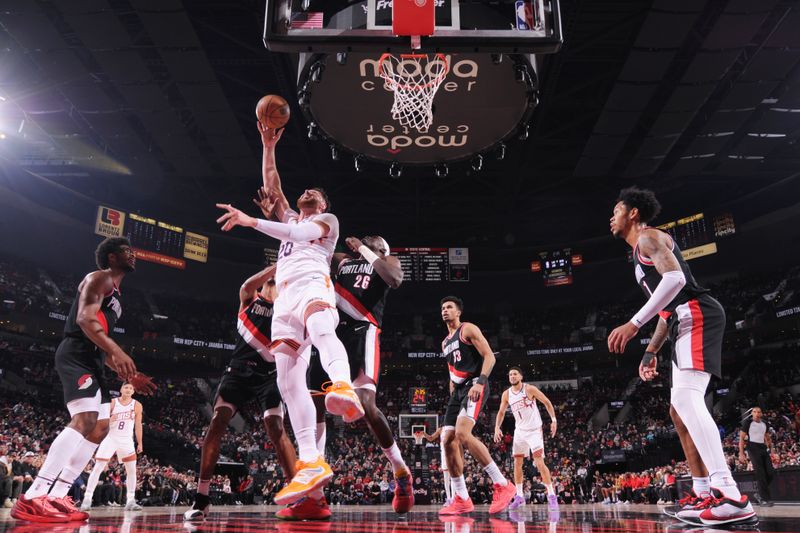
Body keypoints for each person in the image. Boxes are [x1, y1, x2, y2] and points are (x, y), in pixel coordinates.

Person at [215, 123, 365, 505]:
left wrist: (252, 222)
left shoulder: (326, 224)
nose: (307, 192)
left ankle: (343, 386)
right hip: (283, 300)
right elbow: (272, 180)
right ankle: (311, 462)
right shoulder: (288, 218)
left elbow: (297, 236)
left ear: (324, 206)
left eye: (316, 193)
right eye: (306, 190)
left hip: (313, 284)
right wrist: (267, 144)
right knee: (287, 380)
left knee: (320, 326)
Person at [607, 187, 755, 526]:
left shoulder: (648, 238)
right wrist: (649, 351)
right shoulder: (637, 258)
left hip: (696, 314)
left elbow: (675, 279)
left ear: (633, 213)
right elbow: (665, 310)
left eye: (617, 209)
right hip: (679, 321)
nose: (611, 216)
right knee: (678, 411)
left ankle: (730, 495)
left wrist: (633, 324)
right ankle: (705, 491)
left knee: (688, 402)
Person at [11, 238, 155, 523]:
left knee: (100, 427)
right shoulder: (99, 277)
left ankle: (58, 495)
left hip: (94, 358)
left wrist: (127, 373)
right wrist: (116, 349)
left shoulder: (117, 296)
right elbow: (84, 320)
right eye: (127, 251)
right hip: (76, 352)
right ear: (112, 257)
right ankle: (33, 495)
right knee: (86, 418)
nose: (133, 255)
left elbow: (100, 338)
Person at [287, 234, 412, 519]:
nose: (366, 241)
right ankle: (315, 495)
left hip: (362, 331)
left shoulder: (386, 261)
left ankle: (399, 469)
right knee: (314, 406)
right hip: (330, 333)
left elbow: (394, 278)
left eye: (373, 241)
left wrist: (367, 250)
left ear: (382, 248)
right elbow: (318, 247)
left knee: (366, 404)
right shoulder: (344, 261)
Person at [184, 264, 297, 521]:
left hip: (269, 375)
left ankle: (297, 493)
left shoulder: (287, 310)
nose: (274, 285)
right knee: (217, 422)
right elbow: (246, 286)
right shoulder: (250, 300)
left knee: (275, 427)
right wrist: (277, 265)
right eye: (272, 281)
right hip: (238, 372)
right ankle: (201, 498)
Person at [437, 296, 516, 515]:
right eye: (442, 308)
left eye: (449, 307)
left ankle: (502, 484)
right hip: (458, 390)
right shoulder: (444, 342)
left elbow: (489, 357)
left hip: (475, 384)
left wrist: (480, 383)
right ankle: (461, 498)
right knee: (447, 441)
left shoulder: (468, 329)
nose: (445, 311)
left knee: (462, 434)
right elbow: (452, 369)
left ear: (458, 311)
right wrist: (452, 390)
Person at [494, 367, 558, 511]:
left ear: (521, 376)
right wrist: (497, 427)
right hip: (520, 432)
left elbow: (547, 402)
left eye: (515, 374)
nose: (512, 376)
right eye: (510, 374)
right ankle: (519, 495)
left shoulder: (529, 389)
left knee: (539, 463)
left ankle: (551, 495)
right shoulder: (506, 394)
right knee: (517, 463)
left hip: (535, 431)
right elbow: (501, 412)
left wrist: (553, 420)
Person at [81, 382, 144, 511]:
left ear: (133, 391)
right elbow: (101, 421)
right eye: (126, 387)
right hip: (110, 438)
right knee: (98, 467)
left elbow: (138, 425)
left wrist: (140, 442)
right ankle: (87, 498)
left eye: (131, 388)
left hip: (126, 440)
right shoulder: (113, 403)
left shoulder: (137, 405)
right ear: (121, 389)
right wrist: (111, 419)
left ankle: (130, 500)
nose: (128, 389)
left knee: (132, 470)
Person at [740, 407, 775, 506]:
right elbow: (742, 439)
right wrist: (741, 453)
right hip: (752, 447)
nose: (756, 413)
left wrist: (772, 452)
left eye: (758, 412)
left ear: (761, 414)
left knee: (771, 473)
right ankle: (764, 499)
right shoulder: (748, 423)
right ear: (752, 414)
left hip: (762, 448)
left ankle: (759, 494)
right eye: (754, 412)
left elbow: (768, 438)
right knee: (761, 474)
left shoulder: (765, 424)